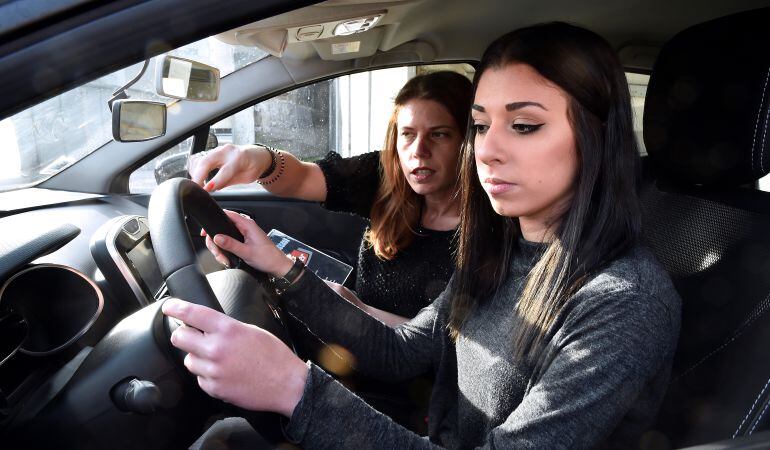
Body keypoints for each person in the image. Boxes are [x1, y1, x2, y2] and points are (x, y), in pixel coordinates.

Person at [166, 22, 682, 449]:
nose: (488, 151)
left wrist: (294, 389)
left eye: (524, 126)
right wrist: (280, 268)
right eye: (481, 126)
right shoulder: (502, 247)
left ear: (594, 138)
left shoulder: (625, 302)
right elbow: (401, 351)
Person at [190, 71, 473, 326]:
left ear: (467, 142)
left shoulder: (488, 232)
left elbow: (454, 351)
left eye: (439, 135)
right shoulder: (386, 175)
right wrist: (260, 160)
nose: (419, 151)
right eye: (408, 134)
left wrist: (353, 308)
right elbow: (302, 178)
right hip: (351, 339)